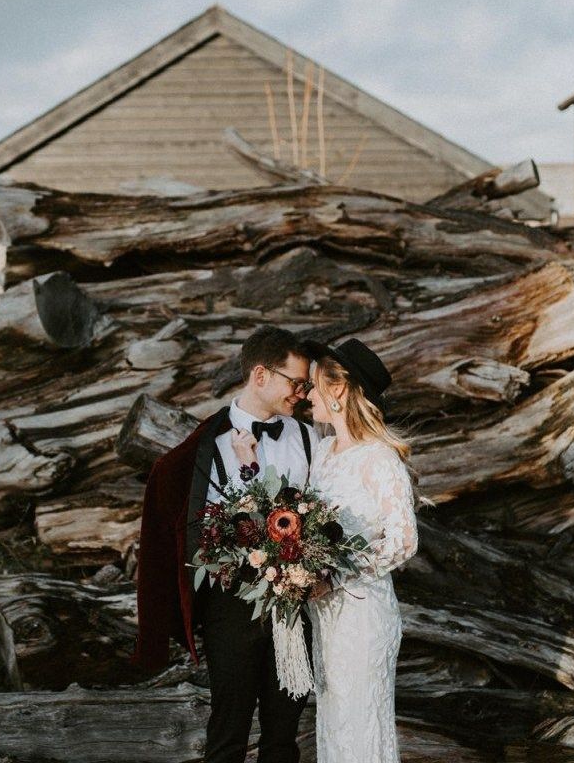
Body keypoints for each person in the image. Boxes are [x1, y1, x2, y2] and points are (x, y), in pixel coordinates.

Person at [130, 324, 318, 763]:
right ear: (260, 375)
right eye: (296, 383)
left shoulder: (308, 439)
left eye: (305, 385)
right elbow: (195, 529)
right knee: (228, 730)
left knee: (283, 733)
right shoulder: (206, 446)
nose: (302, 393)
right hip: (232, 607)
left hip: (294, 607)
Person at [303, 337, 419, 763]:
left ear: (337, 389)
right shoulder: (323, 453)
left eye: (314, 385)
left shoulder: (378, 458)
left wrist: (335, 575)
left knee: (360, 725)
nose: (307, 395)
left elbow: (403, 541)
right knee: (335, 725)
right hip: (325, 617)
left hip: (363, 615)